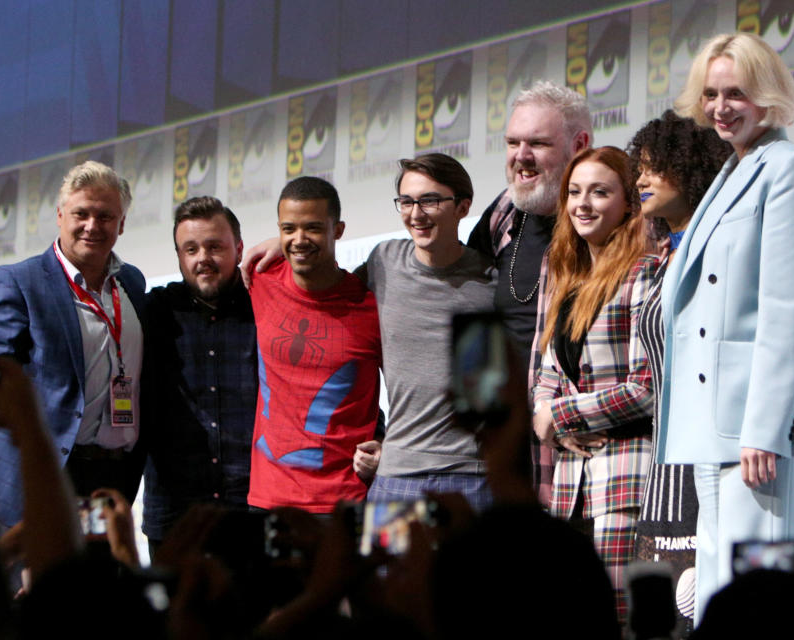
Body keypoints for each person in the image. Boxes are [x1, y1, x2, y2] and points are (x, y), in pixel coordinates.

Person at [658, 32, 794, 621]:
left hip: (750, 433)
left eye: (736, 93)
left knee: (758, 596)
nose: (720, 107)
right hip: (712, 426)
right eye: (710, 94)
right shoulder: (733, 171)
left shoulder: (789, 168)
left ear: (766, 95)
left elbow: (787, 309)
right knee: (719, 592)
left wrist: (766, 427)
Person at [0, 161, 147, 531]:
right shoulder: (16, 283)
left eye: (106, 216)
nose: (92, 226)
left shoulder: (132, 283)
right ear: (60, 216)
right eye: (81, 213)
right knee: (35, 586)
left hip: (106, 482)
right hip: (32, 483)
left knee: (90, 585)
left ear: (122, 224)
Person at [531, 146, 658, 620]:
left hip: (626, 479)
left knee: (622, 621)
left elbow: (647, 387)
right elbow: (546, 380)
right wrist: (555, 422)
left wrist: (561, 415)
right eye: (575, 192)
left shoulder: (643, 274)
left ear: (628, 202)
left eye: (600, 192)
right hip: (568, 487)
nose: (582, 204)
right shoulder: (566, 278)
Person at [626, 111, 733, 631]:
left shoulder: (718, 252)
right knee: (654, 626)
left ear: (691, 169)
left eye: (655, 168)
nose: (640, 180)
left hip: (707, 470)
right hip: (661, 473)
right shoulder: (661, 260)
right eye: (638, 169)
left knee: (696, 620)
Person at [465, 79, 592, 506]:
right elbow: (452, 284)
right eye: (512, 142)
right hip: (497, 448)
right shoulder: (504, 212)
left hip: (574, 447)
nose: (521, 157)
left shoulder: (614, 223)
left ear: (579, 144)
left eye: (538, 143)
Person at [361, 153, 497, 510]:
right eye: (406, 202)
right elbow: (327, 289)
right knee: (383, 570)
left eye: (430, 201)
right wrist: (277, 246)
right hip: (396, 479)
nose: (415, 214)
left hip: (473, 479)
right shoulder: (383, 261)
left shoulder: (492, 281)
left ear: (462, 207)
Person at [246, 177, 382, 513]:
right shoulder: (259, 278)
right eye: (289, 228)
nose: (299, 240)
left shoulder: (372, 307)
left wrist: (390, 445)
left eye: (313, 228)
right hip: (266, 500)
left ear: (338, 230)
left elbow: (414, 390)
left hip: (343, 503)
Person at [142, 196, 258, 550]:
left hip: (254, 510)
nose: (202, 258)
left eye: (214, 247)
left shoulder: (268, 306)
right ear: (179, 256)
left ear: (238, 249)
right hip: (176, 517)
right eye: (190, 249)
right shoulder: (153, 311)